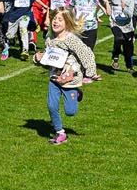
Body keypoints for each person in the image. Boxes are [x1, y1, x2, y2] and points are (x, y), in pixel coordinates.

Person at [41, 9, 98, 145]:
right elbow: (48, 58)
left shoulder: (71, 39)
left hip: (70, 80)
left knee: (70, 112)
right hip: (55, 78)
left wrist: (91, 72)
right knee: (52, 106)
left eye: (60, 19)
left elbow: (86, 54)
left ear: (67, 22)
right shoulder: (49, 39)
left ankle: (77, 93)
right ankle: (60, 132)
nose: (55, 22)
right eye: (54, 19)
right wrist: (38, 59)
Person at [108, 0, 137, 73]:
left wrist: (124, 8)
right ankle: (115, 58)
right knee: (118, 38)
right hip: (115, 23)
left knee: (128, 48)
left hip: (127, 26)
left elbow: (130, 14)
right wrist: (99, 14)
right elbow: (107, 4)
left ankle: (129, 66)